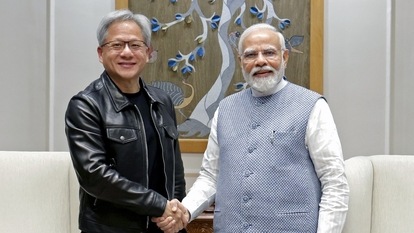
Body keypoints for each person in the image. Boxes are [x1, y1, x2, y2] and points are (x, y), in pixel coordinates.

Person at [155, 23, 349, 233]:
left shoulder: (312, 106)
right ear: (241, 62)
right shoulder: (225, 108)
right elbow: (211, 176)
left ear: (285, 57)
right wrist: (186, 211)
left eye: (269, 53)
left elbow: (334, 182)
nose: (260, 61)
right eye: (250, 55)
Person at [65, 9, 188, 233]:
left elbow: (175, 171)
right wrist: (159, 205)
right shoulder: (85, 105)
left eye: (135, 45)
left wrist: (177, 213)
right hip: (110, 228)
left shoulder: (162, 101)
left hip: (163, 225)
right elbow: (95, 176)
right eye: (117, 45)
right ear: (101, 53)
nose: (127, 52)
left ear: (148, 52)